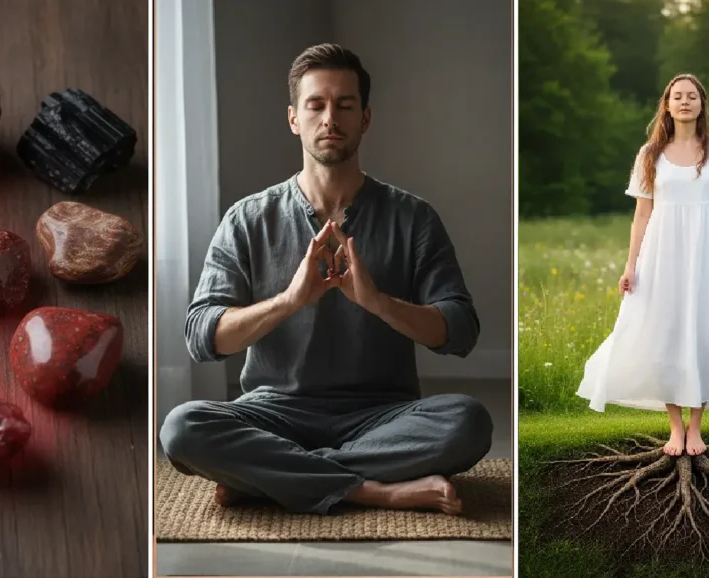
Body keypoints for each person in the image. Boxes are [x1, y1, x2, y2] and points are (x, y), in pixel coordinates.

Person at [159, 43, 492, 516]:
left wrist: (377, 302)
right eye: (316, 105)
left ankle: (267, 478)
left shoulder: (414, 218)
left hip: (383, 415)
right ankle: (372, 490)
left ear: (366, 118)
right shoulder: (248, 219)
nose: (330, 118)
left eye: (345, 105)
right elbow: (202, 338)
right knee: (182, 427)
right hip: (274, 412)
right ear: (294, 118)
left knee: (468, 421)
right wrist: (289, 301)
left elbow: (460, 331)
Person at [576, 73, 709, 457]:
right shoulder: (649, 154)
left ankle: (695, 429)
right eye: (678, 96)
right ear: (667, 105)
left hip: (707, 253)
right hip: (661, 253)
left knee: (704, 331)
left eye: (692, 96)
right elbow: (641, 213)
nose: (685, 101)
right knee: (666, 332)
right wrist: (630, 265)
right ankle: (675, 427)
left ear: (702, 104)